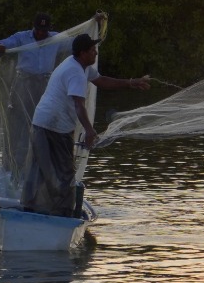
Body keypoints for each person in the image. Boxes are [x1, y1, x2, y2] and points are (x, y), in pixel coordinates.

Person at [23, 32, 149, 216]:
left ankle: (46, 210)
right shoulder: (75, 72)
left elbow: (102, 81)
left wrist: (131, 83)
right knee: (58, 172)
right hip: (50, 125)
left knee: (54, 170)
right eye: (92, 50)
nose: (95, 54)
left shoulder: (81, 66)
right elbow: (78, 104)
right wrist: (90, 130)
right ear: (82, 53)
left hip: (49, 123)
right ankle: (59, 214)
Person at [0, 13, 72, 175]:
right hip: (23, 84)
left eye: (45, 31)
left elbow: (77, 43)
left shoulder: (55, 39)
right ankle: (12, 165)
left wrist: (95, 23)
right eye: (39, 30)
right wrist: (0, 46)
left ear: (49, 29)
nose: (42, 34)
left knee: (43, 125)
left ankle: (39, 165)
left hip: (44, 86)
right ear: (33, 27)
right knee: (18, 124)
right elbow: (4, 43)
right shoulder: (22, 37)